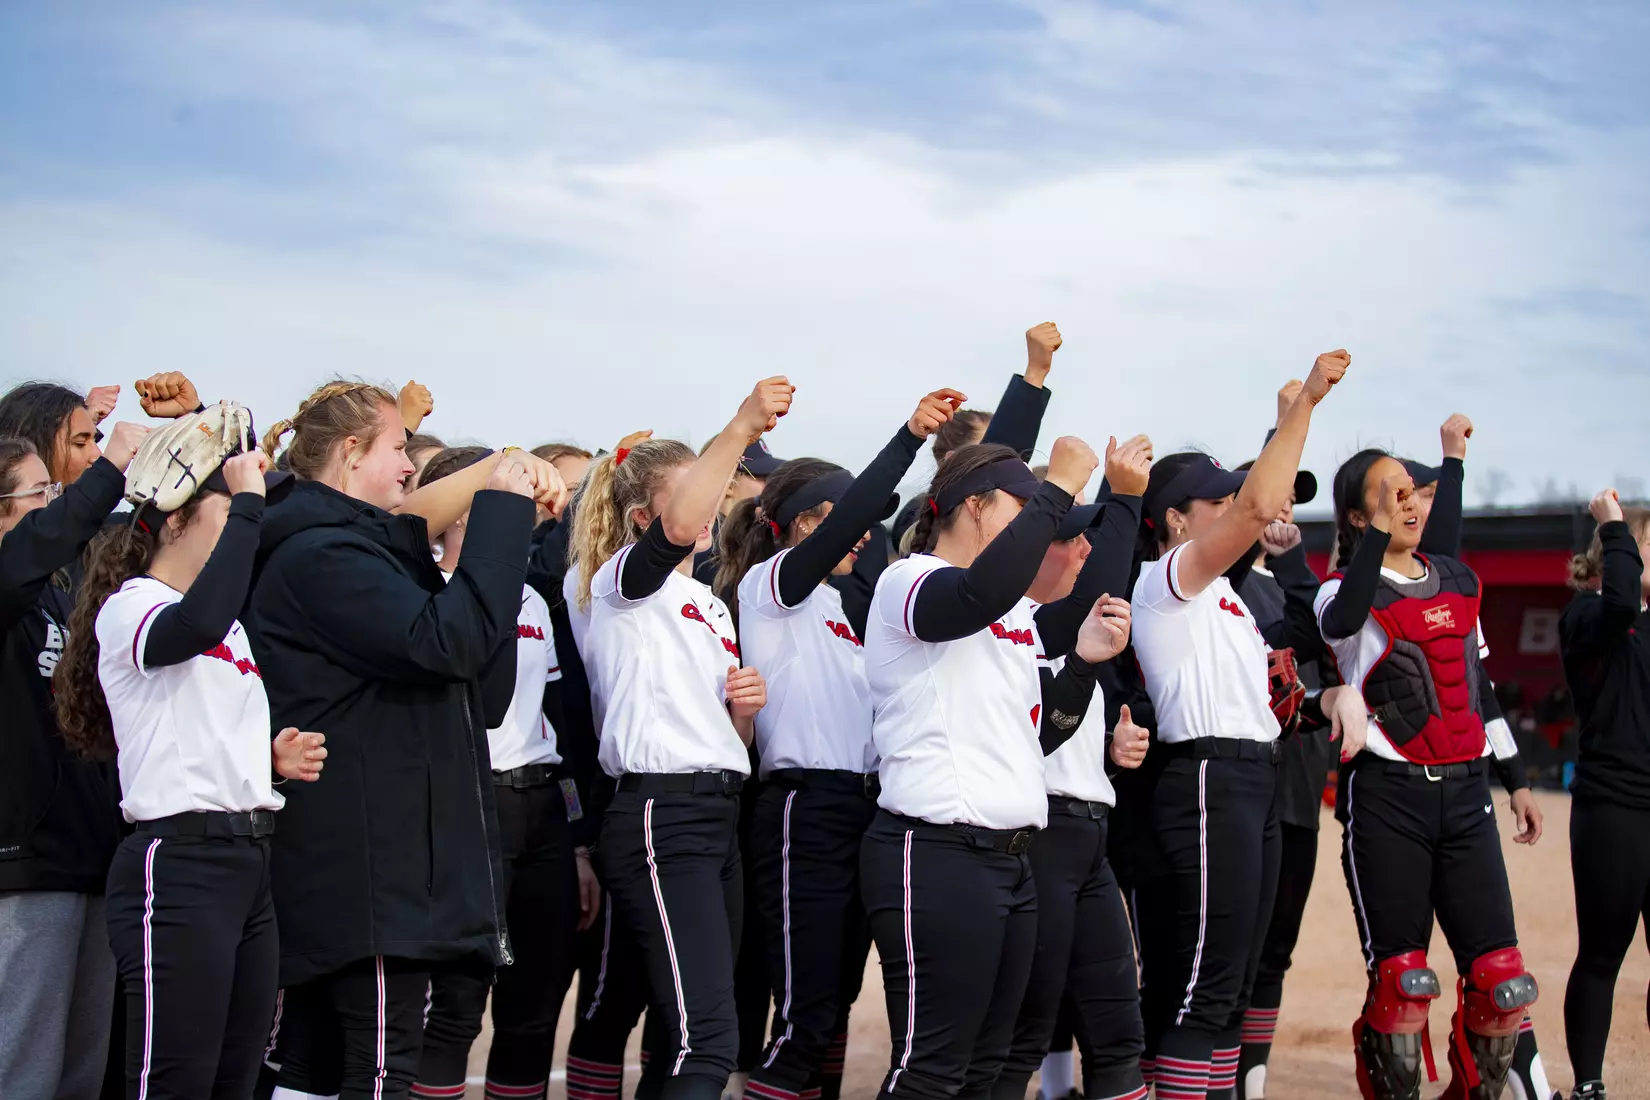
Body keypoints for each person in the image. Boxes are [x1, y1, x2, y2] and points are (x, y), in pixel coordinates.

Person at [247, 381, 540, 1099]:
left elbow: (405, 522)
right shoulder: (324, 555)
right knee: (381, 1067)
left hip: (369, 864)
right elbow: (451, 640)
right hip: (372, 871)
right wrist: (502, 515)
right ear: (351, 453)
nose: (411, 468)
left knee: (314, 1066)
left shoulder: (340, 541)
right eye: (399, 447)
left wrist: (509, 468)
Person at [52, 406, 327, 1097]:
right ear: (174, 515)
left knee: (234, 1080)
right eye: (230, 502)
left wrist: (262, 758)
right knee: (174, 1080)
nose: (249, 518)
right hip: (177, 865)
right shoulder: (133, 602)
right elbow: (190, 627)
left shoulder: (225, 619)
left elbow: (181, 721)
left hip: (247, 860)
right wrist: (250, 511)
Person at [860, 432, 1132, 1100]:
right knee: (932, 1069)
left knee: (989, 1067)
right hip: (936, 853)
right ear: (976, 506)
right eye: (1025, 507)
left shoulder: (1011, 616)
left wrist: (1084, 664)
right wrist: (1061, 484)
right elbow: (974, 596)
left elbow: (1040, 735)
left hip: (1010, 860)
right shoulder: (907, 581)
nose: (1039, 526)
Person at [713, 387, 967, 1100]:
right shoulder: (772, 588)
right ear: (797, 527)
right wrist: (908, 439)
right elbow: (854, 520)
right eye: (836, 518)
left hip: (862, 813)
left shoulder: (848, 605)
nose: (859, 535)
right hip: (803, 814)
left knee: (829, 1016)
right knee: (806, 1017)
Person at [1129, 350, 1349, 1100]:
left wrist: (1324, 705)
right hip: (1207, 780)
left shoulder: (1221, 596)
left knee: (1231, 987)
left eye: (1230, 499)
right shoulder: (1168, 581)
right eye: (1213, 502)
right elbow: (1260, 507)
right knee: (1202, 986)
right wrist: (1303, 410)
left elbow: (1280, 694)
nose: (1233, 511)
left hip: (1253, 780)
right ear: (1173, 522)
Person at [570, 378, 791, 1100]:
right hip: (662, 817)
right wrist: (738, 426)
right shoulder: (619, 584)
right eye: (690, 487)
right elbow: (672, 535)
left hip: (715, 812)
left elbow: (712, 730)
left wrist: (743, 715)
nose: (710, 499)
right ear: (642, 515)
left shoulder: (706, 603)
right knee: (709, 1041)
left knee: (682, 1037)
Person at [1317, 447, 1541, 1100]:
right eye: (1389, 495)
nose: (1408, 502)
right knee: (1401, 985)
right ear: (1359, 516)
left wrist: (1517, 779)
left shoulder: (1459, 582)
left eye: (1413, 491)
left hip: (1469, 792)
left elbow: (1480, 691)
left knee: (1503, 985)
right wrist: (1377, 539)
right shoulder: (1341, 592)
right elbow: (1339, 622)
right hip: (1389, 798)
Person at [411, 445, 600, 1100]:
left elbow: (560, 734)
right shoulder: (421, 591)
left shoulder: (528, 600)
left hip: (543, 813)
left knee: (534, 1008)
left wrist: (576, 842)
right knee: (455, 1008)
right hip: (466, 813)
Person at [993, 436, 1157, 1100]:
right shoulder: (1007, 623)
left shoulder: (1059, 628)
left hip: (1092, 836)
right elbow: (1034, 742)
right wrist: (1125, 498)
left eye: (1091, 535)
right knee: (1021, 1035)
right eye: (1072, 537)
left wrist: (1111, 760)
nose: (1086, 549)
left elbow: (1062, 733)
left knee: (1120, 1031)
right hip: (1038, 840)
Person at [0, 418, 148, 1100]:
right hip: (27, 874)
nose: (58, 504)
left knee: (82, 1076)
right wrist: (108, 465)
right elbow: (42, 543)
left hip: (88, 858)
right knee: (21, 1071)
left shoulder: (60, 594)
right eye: (40, 493)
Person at [1559, 490, 1650, 1100]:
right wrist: (1616, 526)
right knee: (1602, 955)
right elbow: (1621, 599)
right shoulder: (1591, 615)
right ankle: (1589, 1085)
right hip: (1614, 806)